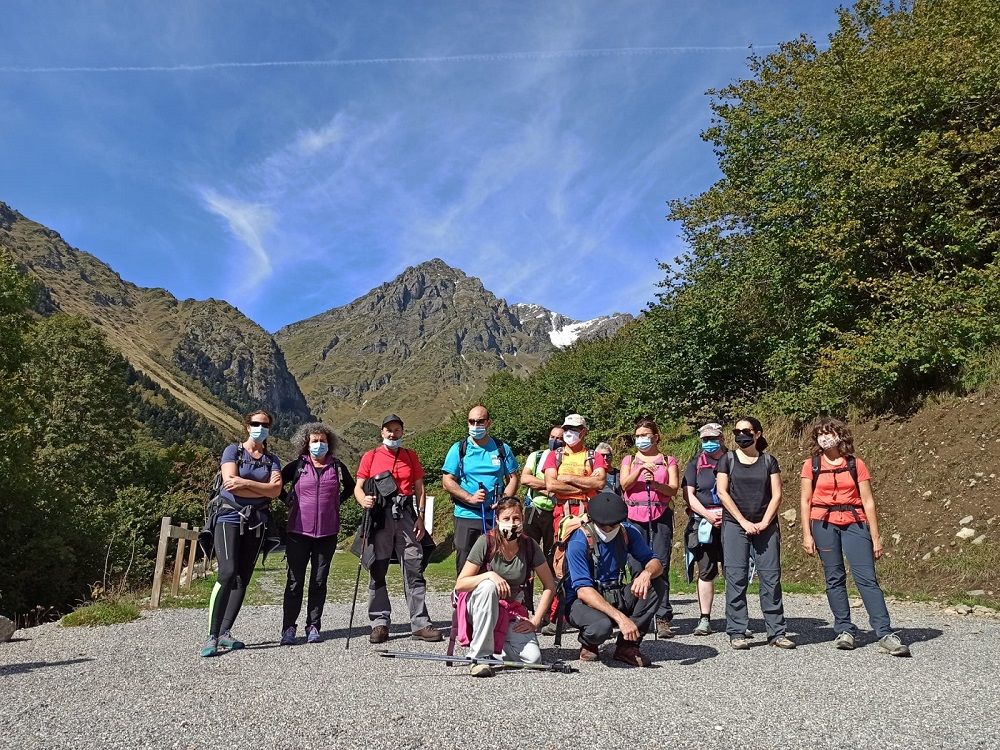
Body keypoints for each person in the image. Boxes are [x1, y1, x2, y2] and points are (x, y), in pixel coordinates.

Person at [800, 419, 910, 656]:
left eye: (829, 433)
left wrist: (875, 537)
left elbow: (868, 501)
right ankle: (844, 630)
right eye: (820, 434)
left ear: (840, 435)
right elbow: (805, 501)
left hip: (855, 523)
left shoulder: (855, 464)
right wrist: (807, 534)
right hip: (823, 524)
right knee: (834, 578)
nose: (824, 438)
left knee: (866, 578)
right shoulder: (811, 465)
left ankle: (885, 632)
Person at [202, 410, 282, 658]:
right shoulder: (232, 451)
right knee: (227, 572)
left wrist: (245, 483)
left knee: (242, 577)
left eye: (265, 425)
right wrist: (262, 488)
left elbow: (276, 491)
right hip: (228, 517)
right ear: (247, 426)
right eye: (256, 424)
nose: (260, 428)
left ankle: (225, 633)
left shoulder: (272, 459)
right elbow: (230, 484)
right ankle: (212, 635)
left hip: (256, 522)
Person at [355, 414, 441, 645]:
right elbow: (358, 487)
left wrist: (421, 517)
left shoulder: (410, 456)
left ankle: (420, 624)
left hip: (406, 516)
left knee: (414, 567)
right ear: (382, 432)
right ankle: (379, 623)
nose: (393, 434)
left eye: (397, 430)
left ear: (403, 432)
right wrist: (363, 500)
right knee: (377, 568)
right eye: (389, 430)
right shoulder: (370, 456)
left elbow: (420, 488)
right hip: (380, 517)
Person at [716, 416, 795, 650]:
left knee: (771, 578)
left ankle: (777, 632)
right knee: (736, 577)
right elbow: (722, 492)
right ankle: (737, 631)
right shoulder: (727, 460)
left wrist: (764, 522)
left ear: (758, 434)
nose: (741, 435)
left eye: (747, 431)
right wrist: (743, 521)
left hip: (766, 527)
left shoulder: (769, 461)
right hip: (735, 525)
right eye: (737, 431)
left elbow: (777, 494)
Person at [455, 497, 557, 677]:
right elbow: (461, 584)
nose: (512, 523)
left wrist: (536, 620)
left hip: (510, 610)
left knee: (533, 660)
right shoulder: (485, 542)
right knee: (488, 587)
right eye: (506, 518)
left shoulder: (529, 546)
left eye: (516, 518)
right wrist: (489, 575)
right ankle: (480, 657)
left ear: (522, 519)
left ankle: (496, 648)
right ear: (497, 520)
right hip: (479, 606)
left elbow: (549, 585)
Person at [563, 491, 665, 666]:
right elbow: (583, 591)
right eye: (604, 526)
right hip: (583, 601)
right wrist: (622, 619)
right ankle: (589, 642)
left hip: (615, 592)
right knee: (601, 628)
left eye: (614, 525)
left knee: (657, 584)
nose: (609, 530)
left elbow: (655, 562)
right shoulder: (579, 541)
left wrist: (647, 573)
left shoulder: (628, 532)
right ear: (592, 520)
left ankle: (628, 645)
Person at [279, 422, 355, 645]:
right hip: (298, 532)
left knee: (319, 581)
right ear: (306, 443)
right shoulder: (297, 466)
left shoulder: (337, 467)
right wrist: (287, 500)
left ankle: (313, 626)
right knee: (294, 582)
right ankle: (288, 628)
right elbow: (276, 485)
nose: (319, 444)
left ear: (329, 443)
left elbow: (351, 487)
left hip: (327, 533)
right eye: (314, 441)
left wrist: (337, 503)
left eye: (322, 440)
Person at [542, 413, 607, 631]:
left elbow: (600, 482)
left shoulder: (594, 456)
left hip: (589, 515)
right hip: (563, 516)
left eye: (575, 429)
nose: (569, 433)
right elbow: (551, 485)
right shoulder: (554, 456)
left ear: (584, 431)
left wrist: (568, 478)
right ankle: (559, 615)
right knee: (562, 564)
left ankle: (592, 612)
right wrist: (585, 485)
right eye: (567, 428)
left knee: (591, 560)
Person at [619, 419, 679, 638]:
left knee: (660, 564)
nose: (641, 439)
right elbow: (624, 484)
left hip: (660, 516)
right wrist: (640, 470)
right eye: (638, 435)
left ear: (656, 437)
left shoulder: (668, 460)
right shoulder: (629, 460)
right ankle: (639, 615)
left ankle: (662, 617)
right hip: (633, 517)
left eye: (645, 435)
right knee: (636, 566)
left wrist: (655, 484)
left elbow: (673, 489)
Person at [442, 405, 520, 573]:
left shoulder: (502, 448)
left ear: (488, 423)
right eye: (472, 421)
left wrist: (504, 500)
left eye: (480, 421)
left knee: (496, 559)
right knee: (465, 561)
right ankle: (463, 590)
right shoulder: (458, 449)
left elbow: (513, 478)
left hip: (495, 516)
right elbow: (447, 481)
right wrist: (469, 498)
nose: (475, 426)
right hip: (466, 515)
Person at [681, 423, 727, 636]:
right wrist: (708, 515)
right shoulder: (695, 464)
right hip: (703, 522)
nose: (709, 443)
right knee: (706, 570)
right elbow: (689, 496)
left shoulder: (733, 460)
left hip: (730, 522)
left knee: (733, 570)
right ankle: (704, 618)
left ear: (722, 438)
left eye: (713, 439)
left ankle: (737, 618)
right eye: (705, 440)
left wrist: (728, 514)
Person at [520, 425, 564, 563]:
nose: (554, 441)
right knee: (528, 551)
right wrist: (551, 487)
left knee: (553, 553)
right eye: (552, 437)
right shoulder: (537, 456)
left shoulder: (568, 461)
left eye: (559, 438)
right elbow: (525, 479)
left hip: (556, 513)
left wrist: (538, 484)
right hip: (533, 510)